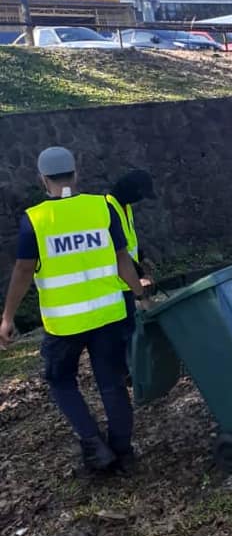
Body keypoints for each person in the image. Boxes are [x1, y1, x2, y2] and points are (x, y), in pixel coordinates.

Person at [0, 147, 147, 474]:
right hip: (109, 314)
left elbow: (24, 270)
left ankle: (95, 447)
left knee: (61, 380)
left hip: (64, 324)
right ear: (75, 173)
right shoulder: (101, 208)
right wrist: (139, 294)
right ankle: (123, 452)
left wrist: (7, 317)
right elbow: (123, 259)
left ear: (42, 178)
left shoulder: (35, 220)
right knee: (112, 382)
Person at [106, 169, 156, 342]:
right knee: (128, 335)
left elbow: (128, 240)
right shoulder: (108, 209)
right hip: (119, 283)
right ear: (131, 190)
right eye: (140, 194)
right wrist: (141, 279)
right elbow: (118, 252)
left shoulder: (125, 207)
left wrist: (142, 258)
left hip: (129, 281)